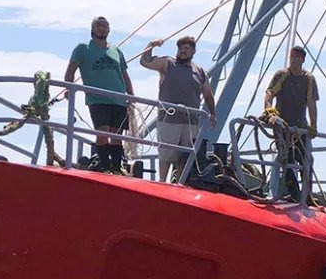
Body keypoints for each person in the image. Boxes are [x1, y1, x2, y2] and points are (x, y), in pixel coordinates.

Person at [140, 35, 218, 182]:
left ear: (193, 51)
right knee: (166, 155)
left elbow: (208, 94)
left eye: (186, 48)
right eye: (180, 48)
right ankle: (162, 182)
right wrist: (152, 45)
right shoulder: (168, 63)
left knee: (185, 157)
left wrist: (213, 113)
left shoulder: (199, 71)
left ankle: (179, 183)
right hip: (169, 120)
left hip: (190, 122)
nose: (182, 51)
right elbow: (145, 61)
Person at [64, 16, 134, 172]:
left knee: (117, 136)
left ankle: (116, 168)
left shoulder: (116, 50)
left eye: (105, 25)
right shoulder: (83, 48)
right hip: (97, 99)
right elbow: (70, 71)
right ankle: (105, 166)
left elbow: (124, 75)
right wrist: (69, 88)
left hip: (119, 99)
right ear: (92, 28)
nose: (102, 28)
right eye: (98, 25)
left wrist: (131, 95)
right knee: (102, 132)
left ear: (109, 29)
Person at [263, 46, 319, 200]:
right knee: (285, 157)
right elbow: (270, 93)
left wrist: (313, 125)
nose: (293, 59)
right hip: (282, 125)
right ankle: (293, 193)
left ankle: (307, 194)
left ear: (303, 60)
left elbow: (311, 103)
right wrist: (269, 110)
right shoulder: (282, 75)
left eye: (297, 57)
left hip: (300, 126)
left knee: (306, 159)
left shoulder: (308, 79)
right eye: (292, 56)